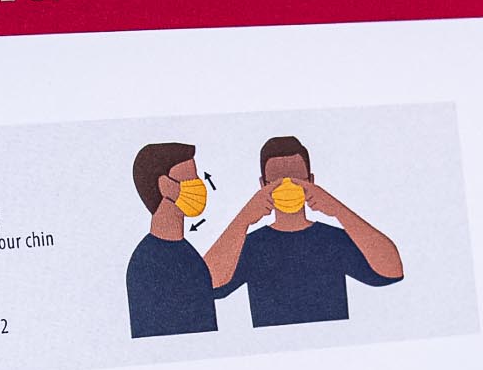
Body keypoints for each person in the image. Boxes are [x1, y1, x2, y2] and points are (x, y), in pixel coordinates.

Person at [204, 135, 406, 327]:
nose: (287, 186)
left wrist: (338, 210)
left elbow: (391, 271)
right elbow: (204, 286)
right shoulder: (251, 246)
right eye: (276, 181)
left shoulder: (332, 241)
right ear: (262, 186)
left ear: (310, 181)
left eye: (296, 179)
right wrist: (243, 219)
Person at [123, 141, 237, 337]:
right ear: (165, 186)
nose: (199, 186)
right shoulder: (147, 262)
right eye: (191, 178)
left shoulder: (184, 251)